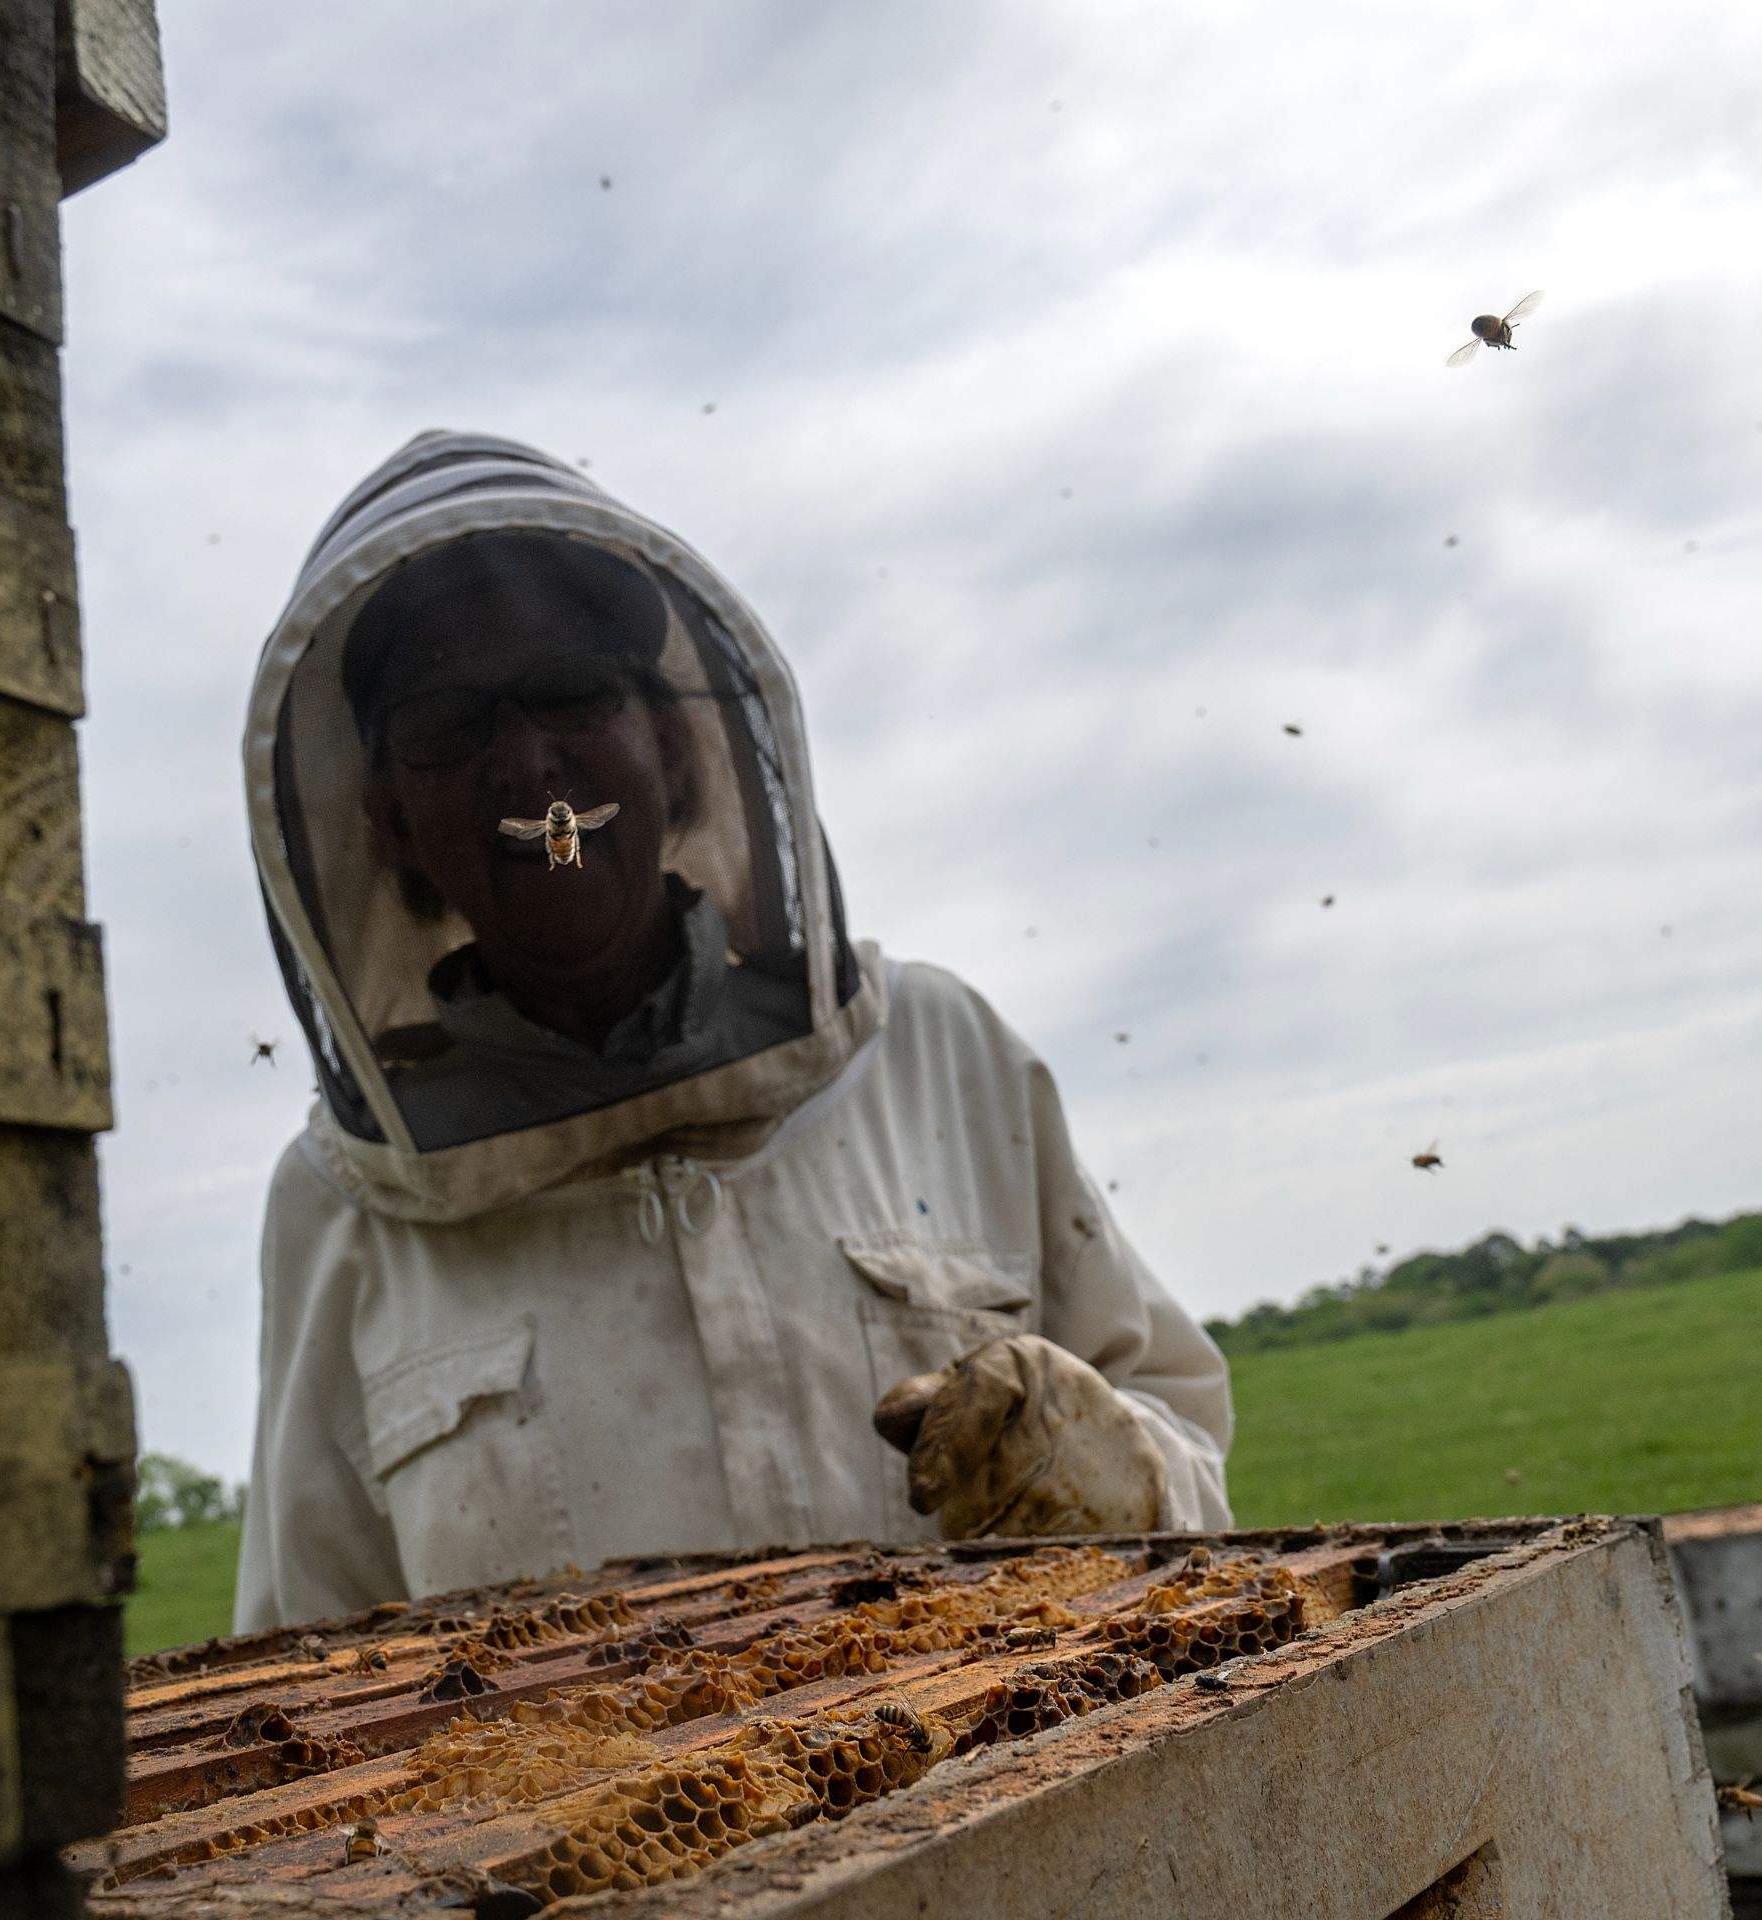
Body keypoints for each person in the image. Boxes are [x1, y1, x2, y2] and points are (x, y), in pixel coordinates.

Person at [233, 432, 1232, 1628]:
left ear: (669, 736)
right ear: (389, 816)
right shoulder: (340, 1209)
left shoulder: (938, 1055)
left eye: (570, 694)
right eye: (451, 724)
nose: (529, 764)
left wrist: (1113, 1468)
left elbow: (1196, 1482)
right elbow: (308, 1666)